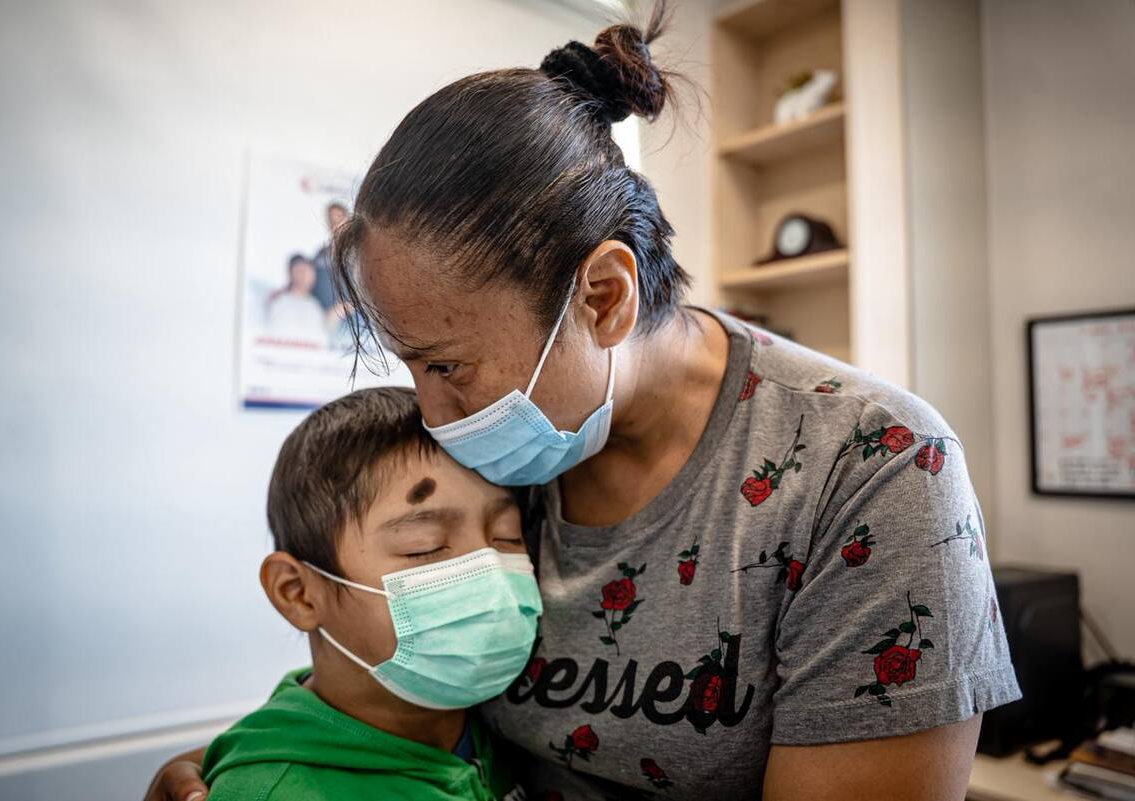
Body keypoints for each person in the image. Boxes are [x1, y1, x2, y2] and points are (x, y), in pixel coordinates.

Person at [148, 2, 1020, 798]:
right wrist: (226, 769)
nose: (432, 413)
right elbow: (369, 690)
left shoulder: (868, 471)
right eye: (410, 366)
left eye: (449, 365)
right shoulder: (497, 458)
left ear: (604, 296)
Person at [196, 387, 537, 800]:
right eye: (424, 545)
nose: (492, 577)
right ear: (298, 593)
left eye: (507, 537)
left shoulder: (505, 730)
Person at [264, 254, 327, 347]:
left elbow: (321, 333)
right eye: (302, 271)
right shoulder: (280, 303)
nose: (307, 275)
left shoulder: (314, 305)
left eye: (310, 272)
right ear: (292, 273)